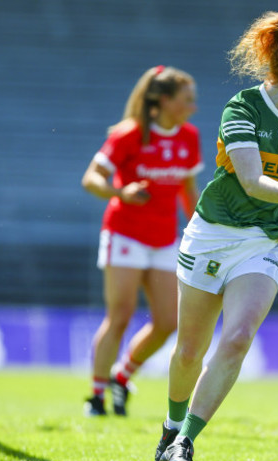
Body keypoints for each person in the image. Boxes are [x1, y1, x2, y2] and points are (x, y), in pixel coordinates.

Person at [153, 10, 278, 461]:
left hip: (265, 242)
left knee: (236, 339)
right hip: (214, 234)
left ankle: (186, 442)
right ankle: (170, 428)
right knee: (189, 352)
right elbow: (254, 182)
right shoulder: (242, 108)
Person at [81, 65, 202, 416]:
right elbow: (91, 179)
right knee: (120, 315)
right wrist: (120, 191)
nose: (193, 107)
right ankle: (96, 396)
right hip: (125, 234)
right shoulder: (129, 134)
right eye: (186, 100)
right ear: (164, 101)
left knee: (168, 322)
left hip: (164, 239)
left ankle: (123, 375)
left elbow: (187, 190)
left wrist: (201, 229)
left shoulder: (189, 136)